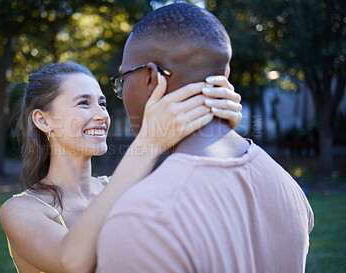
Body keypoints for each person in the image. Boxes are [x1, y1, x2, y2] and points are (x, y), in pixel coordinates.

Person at [96, 3, 314, 273]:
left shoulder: (143, 218)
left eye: (123, 78)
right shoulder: (288, 187)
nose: (121, 91)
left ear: (152, 78)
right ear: (225, 78)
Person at [0, 61, 243, 273]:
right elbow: (72, 261)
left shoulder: (126, 188)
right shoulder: (21, 210)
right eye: (84, 103)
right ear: (43, 120)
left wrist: (216, 125)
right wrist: (150, 140)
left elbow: (202, 216)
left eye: (102, 103)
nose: (102, 115)